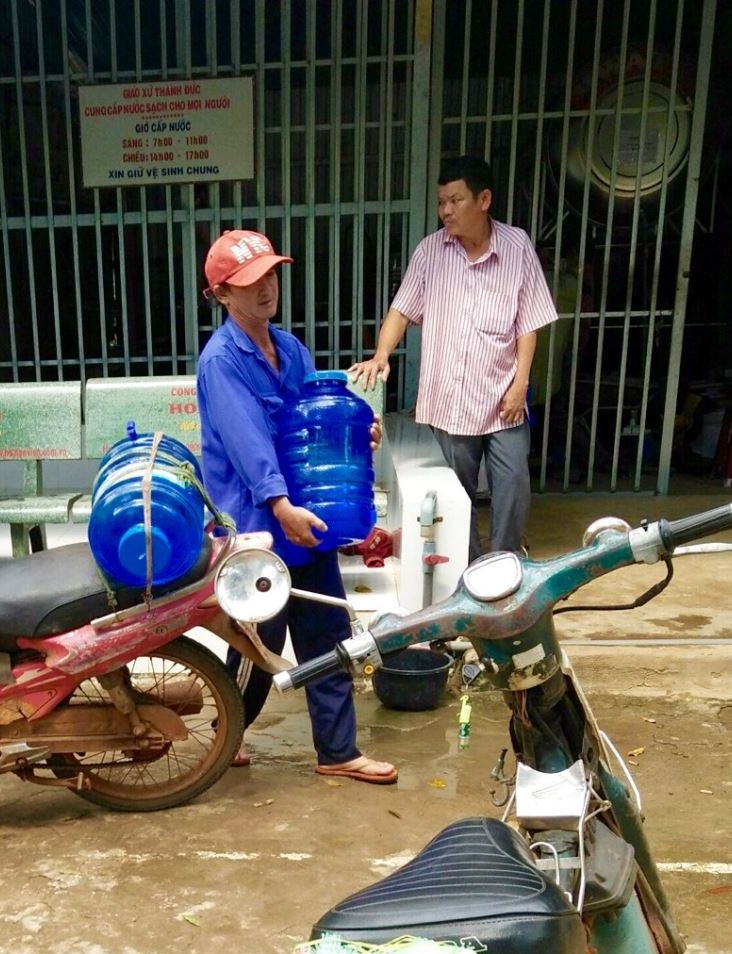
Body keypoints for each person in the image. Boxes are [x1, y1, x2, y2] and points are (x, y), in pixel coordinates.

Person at [197, 230, 397, 786]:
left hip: (306, 518)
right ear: (222, 294)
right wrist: (280, 504)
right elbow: (247, 444)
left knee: (327, 633)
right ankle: (228, 734)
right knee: (259, 643)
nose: (265, 288)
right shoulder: (222, 361)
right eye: (249, 282)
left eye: (270, 274)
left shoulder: (290, 349)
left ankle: (338, 750)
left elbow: (310, 426)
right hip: (259, 523)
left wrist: (356, 435)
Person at [349, 156, 557, 562]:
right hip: (451, 398)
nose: (445, 211)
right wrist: (381, 354)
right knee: (458, 496)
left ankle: (505, 562)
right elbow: (401, 310)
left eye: (455, 200)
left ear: (484, 200)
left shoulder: (517, 247)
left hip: (503, 396)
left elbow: (528, 322)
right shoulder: (431, 251)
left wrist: (521, 384)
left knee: (513, 484)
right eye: (441, 202)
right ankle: (471, 567)